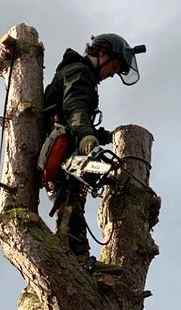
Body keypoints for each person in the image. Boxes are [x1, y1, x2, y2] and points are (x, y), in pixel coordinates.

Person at [41, 34, 146, 260]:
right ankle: (70, 255)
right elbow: (75, 109)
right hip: (58, 150)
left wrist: (105, 135)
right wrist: (87, 137)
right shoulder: (79, 73)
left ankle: (78, 255)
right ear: (103, 53)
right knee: (71, 202)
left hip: (64, 147)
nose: (111, 75)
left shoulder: (80, 74)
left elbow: (76, 118)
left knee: (76, 201)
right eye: (114, 67)